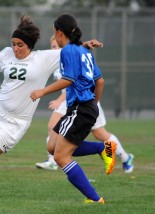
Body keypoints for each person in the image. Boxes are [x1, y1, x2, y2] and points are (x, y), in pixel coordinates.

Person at [0, 15, 103, 196]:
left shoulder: (44, 58)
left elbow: (73, 50)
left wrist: (86, 44)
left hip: (15, 123)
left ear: (29, 45)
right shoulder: (5, 55)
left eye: (20, 45)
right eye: (13, 43)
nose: (15, 48)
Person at [30, 14, 107, 204]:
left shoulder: (68, 51)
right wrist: (94, 105)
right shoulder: (84, 52)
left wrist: (43, 91)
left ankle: (96, 199)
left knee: (60, 157)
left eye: (53, 32)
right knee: (52, 146)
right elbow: (100, 81)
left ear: (58, 31)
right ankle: (103, 148)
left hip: (79, 108)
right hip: (84, 107)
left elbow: (69, 80)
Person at [35, 36, 134, 173]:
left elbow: (71, 81)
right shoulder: (59, 59)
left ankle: (125, 157)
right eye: (53, 47)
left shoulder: (71, 56)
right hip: (70, 102)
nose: (56, 49)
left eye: (57, 46)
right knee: (52, 126)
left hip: (84, 101)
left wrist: (56, 98)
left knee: (100, 134)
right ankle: (53, 161)